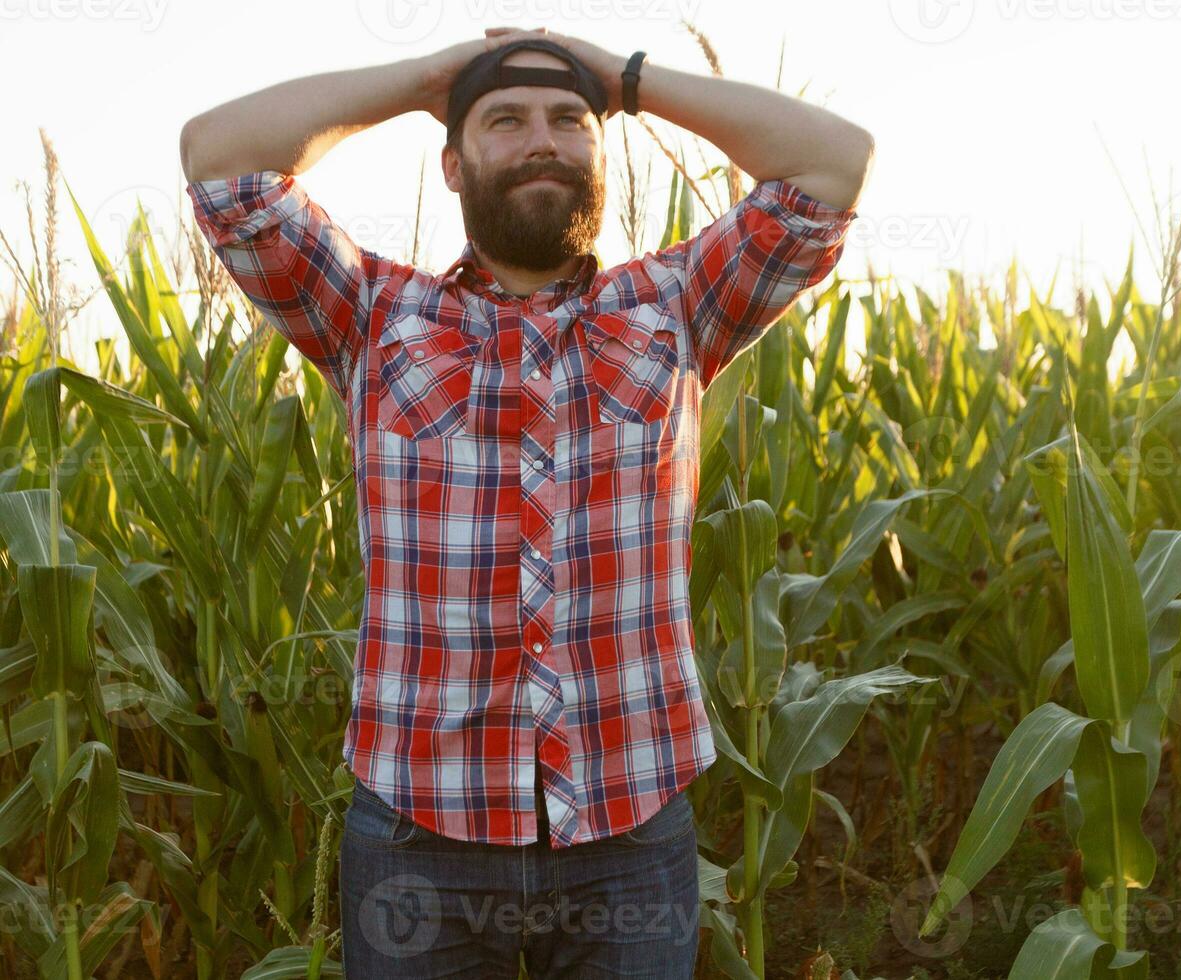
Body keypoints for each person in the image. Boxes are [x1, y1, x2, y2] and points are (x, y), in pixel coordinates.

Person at [179, 24, 871, 977]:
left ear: (602, 151)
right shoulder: (372, 317)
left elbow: (834, 166)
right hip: (419, 835)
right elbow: (219, 160)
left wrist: (628, 79)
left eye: (569, 121)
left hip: (629, 829)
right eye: (504, 120)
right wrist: (428, 78)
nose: (542, 139)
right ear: (454, 167)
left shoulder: (674, 308)